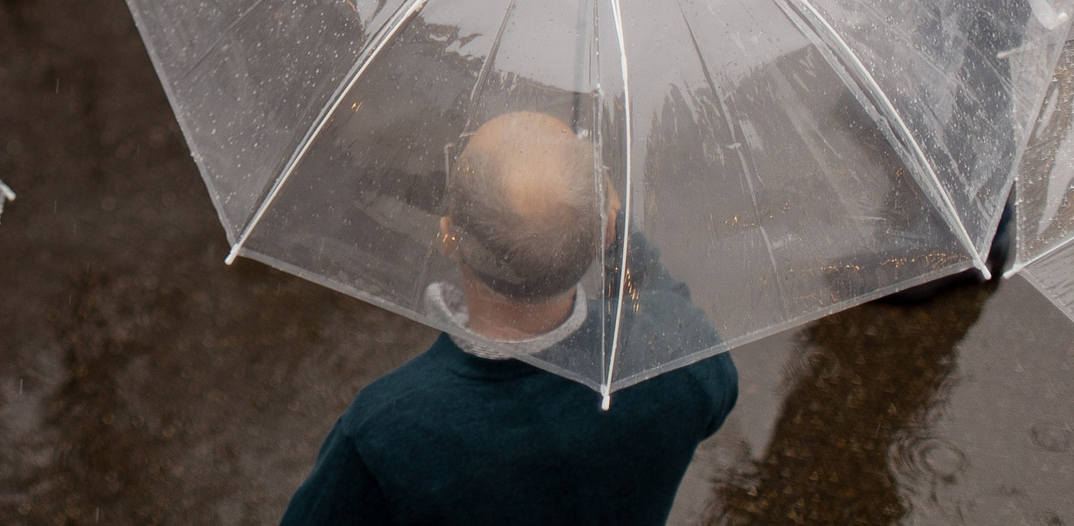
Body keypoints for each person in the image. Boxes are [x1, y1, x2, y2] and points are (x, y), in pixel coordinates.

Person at [279, 112, 738, 526]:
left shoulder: (385, 431)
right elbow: (674, 320)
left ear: (448, 238)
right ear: (606, 232)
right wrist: (619, 240)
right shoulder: (678, 363)